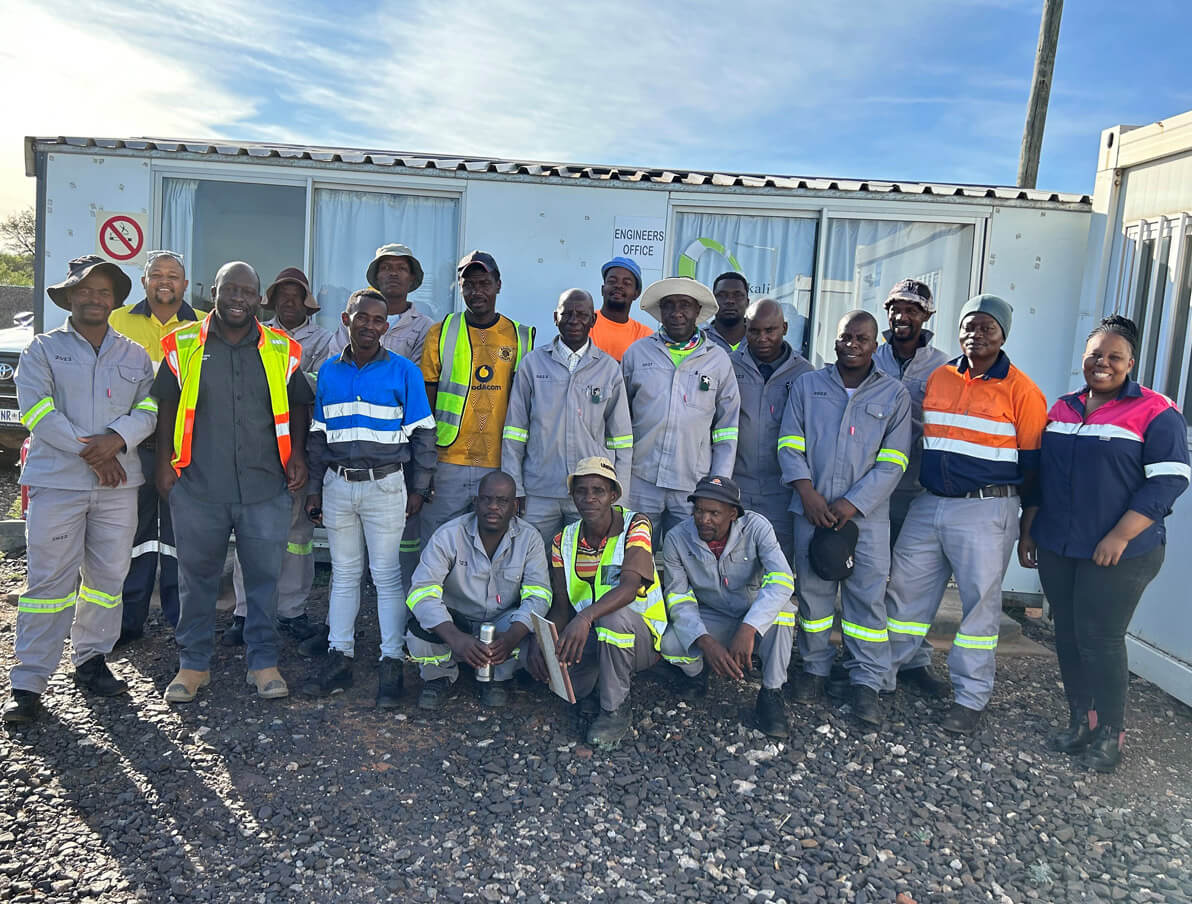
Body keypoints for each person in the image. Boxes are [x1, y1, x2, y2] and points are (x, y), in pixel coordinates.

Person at [1020, 316, 1188, 771]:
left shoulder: (1157, 411)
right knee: (1069, 636)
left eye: (1115, 357)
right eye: (1096, 355)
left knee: (1101, 638)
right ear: (1083, 359)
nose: (1104, 363)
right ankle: (1081, 720)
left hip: (1123, 550)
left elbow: (1168, 482)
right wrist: (1029, 528)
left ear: (1130, 363)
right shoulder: (1062, 408)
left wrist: (1119, 534)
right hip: (1060, 544)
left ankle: (1111, 732)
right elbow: (1041, 477)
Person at [883, 294, 1047, 734]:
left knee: (979, 607)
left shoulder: (1023, 390)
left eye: (987, 327)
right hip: (930, 501)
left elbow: (1034, 467)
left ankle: (970, 697)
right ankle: (882, 675)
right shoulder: (939, 376)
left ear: (1003, 334)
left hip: (987, 508)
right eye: (969, 326)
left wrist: (1028, 522)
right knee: (904, 594)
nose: (976, 334)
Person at [4, 255, 157, 723]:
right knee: (48, 583)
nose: (95, 298)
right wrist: (94, 452)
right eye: (86, 291)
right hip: (58, 482)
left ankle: (91, 660)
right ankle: (28, 683)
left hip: (117, 486)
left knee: (107, 580)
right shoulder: (42, 350)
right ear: (69, 297)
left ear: (115, 300)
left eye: (104, 292)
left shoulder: (134, 354)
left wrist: (118, 441)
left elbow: (150, 408)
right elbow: (36, 412)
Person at [154, 261, 313, 704]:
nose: (239, 299)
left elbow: (299, 404)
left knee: (264, 578)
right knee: (197, 577)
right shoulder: (183, 344)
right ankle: (193, 665)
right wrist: (165, 463)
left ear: (259, 299)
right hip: (199, 483)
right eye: (231, 290)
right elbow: (167, 403)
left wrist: (297, 453)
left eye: (248, 291)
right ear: (214, 292)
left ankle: (263, 663)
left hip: (266, 487)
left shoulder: (281, 349)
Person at [301, 288, 436, 706]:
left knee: (386, 576)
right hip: (338, 485)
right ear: (347, 319)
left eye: (380, 320)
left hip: (385, 485)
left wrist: (419, 486)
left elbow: (423, 434)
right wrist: (313, 488)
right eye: (363, 317)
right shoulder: (328, 372)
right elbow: (318, 437)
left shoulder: (403, 372)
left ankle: (390, 663)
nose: (371, 326)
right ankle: (339, 657)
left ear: (387, 325)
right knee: (343, 574)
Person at [779, 310, 910, 727]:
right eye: (845, 336)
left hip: (866, 519)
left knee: (866, 600)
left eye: (862, 338)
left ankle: (865, 681)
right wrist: (807, 492)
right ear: (833, 340)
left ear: (876, 345)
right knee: (814, 598)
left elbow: (894, 462)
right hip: (811, 511)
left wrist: (851, 504)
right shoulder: (807, 386)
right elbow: (788, 443)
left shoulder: (894, 395)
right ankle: (814, 671)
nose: (852, 344)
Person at [226, 268, 334, 647]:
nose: (289, 301)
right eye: (282, 295)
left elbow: (321, 388)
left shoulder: (326, 339)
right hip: (255, 449)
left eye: (296, 295)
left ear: (307, 302)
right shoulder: (254, 333)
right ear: (271, 299)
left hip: (300, 449)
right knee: (249, 534)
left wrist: (288, 380)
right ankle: (243, 612)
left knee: (297, 537)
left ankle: (292, 610)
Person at [528, 457, 665, 747]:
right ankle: (595, 687)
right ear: (573, 496)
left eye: (598, 491)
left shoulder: (636, 525)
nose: (589, 498)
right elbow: (562, 606)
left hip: (640, 638)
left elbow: (629, 588)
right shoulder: (562, 540)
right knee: (554, 676)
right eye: (581, 491)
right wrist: (543, 642)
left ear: (613, 495)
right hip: (590, 634)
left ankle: (614, 710)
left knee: (611, 619)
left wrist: (585, 617)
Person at [107, 249, 200, 643]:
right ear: (144, 281)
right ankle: (130, 619)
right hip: (131, 446)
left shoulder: (203, 325)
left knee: (183, 536)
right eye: (157, 274)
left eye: (174, 275)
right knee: (134, 534)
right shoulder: (117, 320)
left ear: (185, 283)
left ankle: (181, 620)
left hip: (186, 449)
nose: (166, 281)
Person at [659, 476, 796, 738]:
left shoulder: (757, 527)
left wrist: (749, 628)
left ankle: (770, 694)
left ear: (733, 513)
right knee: (671, 645)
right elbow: (678, 597)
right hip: (713, 615)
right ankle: (698, 675)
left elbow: (782, 580)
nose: (703, 519)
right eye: (698, 510)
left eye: (714, 513)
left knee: (785, 614)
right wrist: (705, 642)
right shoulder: (677, 538)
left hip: (752, 612)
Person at [334, 244, 436, 592]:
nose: (393, 273)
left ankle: (401, 619)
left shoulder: (426, 328)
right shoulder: (351, 318)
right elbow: (337, 373)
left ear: (412, 278)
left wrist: (420, 477)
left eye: (401, 268)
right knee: (346, 558)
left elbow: (417, 388)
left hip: (397, 453)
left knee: (396, 551)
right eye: (386, 267)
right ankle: (339, 626)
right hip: (348, 450)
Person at [868, 278, 952, 698]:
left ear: (927, 316)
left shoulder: (944, 366)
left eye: (913, 310)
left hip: (918, 488)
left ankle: (914, 659)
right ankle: (867, 658)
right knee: (873, 577)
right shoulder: (871, 354)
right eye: (896, 308)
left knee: (913, 580)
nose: (903, 317)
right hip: (870, 486)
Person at [405, 471, 551, 710]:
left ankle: (496, 678)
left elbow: (539, 595)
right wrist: (456, 638)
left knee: (530, 631)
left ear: (515, 506)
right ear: (475, 502)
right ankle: (438, 676)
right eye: (486, 499)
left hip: (501, 626)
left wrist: (512, 636)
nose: (493, 507)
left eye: (502, 501)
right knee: (419, 632)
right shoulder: (449, 535)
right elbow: (421, 592)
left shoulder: (529, 538)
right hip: (456, 622)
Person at [501, 288, 633, 545]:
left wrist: (620, 493)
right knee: (532, 560)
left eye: (582, 315)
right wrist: (515, 486)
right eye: (567, 314)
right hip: (540, 490)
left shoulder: (609, 369)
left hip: (590, 493)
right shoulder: (532, 364)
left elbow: (622, 440)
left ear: (593, 320)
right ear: (555, 317)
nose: (574, 320)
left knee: (584, 564)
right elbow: (514, 432)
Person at [420, 251, 535, 542]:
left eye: (484, 283)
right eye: (468, 284)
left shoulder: (520, 337)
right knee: (437, 540)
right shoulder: (441, 333)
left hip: (499, 462)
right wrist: (425, 465)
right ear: (460, 288)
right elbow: (426, 403)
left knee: (491, 543)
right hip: (448, 461)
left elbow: (527, 407)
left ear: (498, 285)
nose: (476, 291)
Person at [622, 276, 740, 538]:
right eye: (669, 305)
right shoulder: (637, 354)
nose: (677, 313)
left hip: (693, 485)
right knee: (632, 555)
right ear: (660, 311)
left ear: (697, 311)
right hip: (641, 479)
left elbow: (727, 429)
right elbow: (619, 419)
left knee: (689, 558)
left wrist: (717, 484)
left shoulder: (718, 360)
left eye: (685, 305)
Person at [731, 298, 812, 563]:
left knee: (776, 566)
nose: (762, 338)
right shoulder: (728, 366)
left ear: (785, 328)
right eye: (754, 331)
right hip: (736, 486)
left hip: (781, 492)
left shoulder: (805, 374)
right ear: (745, 328)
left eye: (771, 330)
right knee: (733, 561)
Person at [588, 257, 654, 362]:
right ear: (602, 289)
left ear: (636, 294)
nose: (618, 286)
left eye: (627, 283)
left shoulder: (644, 335)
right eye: (612, 281)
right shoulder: (585, 323)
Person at [706, 272, 750, 353]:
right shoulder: (699, 341)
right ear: (713, 301)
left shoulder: (759, 340)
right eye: (722, 295)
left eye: (737, 295)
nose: (730, 301)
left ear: (747, 302)